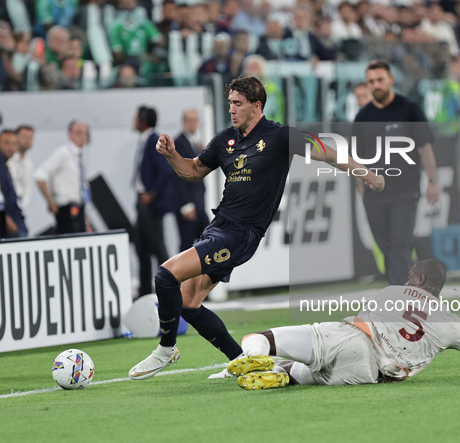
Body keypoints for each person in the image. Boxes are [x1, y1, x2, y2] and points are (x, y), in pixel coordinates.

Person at [128, 75, 385, 380]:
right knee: (187, 302)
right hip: (218, 227)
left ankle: (166, 348)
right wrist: (172, 155)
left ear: (256, 105)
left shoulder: (279, 137)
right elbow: (194, 170)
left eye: (237, 104)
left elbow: (326, 151)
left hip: (240, 235)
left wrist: (367, 173)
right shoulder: (225, 139)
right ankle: (241, 360)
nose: (232, 110)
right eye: (230, 104)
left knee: (165, 275)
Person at [226, 259, 460, 390]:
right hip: (370, 374)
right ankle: (283, 374)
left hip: (353, 337)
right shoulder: (454, 324)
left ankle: (250, 356)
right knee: (309, 375)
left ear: (417, 278)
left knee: (260, 336)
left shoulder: (393, 291)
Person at [354, 59, 440, 286]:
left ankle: (400, 297)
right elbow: (357, 161)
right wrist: (361, 189)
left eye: (380, 79)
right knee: (385, 245)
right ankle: (411, 285)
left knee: (400, 241)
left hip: (405, 188)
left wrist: (432, 180)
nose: (376, 85)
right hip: (374, 192)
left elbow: (424, 148)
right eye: (371, 81)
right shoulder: (362, 117)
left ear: (390, 80)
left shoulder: (409, 109)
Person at [132, 105, 175, 297]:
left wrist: (152, 193)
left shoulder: (152, 141)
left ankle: (171, 287)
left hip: (150, 204)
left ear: (142, 121)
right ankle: (144, 293)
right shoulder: (145, 140)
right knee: (142, 249)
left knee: (158, 247)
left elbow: (166, 170)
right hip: (142, 202)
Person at [34, 120, 91, 234]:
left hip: (78, 208)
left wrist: (86, 221)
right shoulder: (63, 152)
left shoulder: (78, 156)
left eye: (85, 133)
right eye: (78, 132)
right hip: (66, 209)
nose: (82, 137)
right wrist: (50, 201)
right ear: (69, 134)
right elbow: (40, 174)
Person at [173, 108, 209, 252]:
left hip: (199, 202)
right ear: (184, 122)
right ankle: (180, 274)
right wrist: (185, 205)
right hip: (188, 204)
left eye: (195, 120)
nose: (193, 124)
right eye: (190, 120)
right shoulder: (179, 143)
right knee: (186, 245)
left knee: (206, 240)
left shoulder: (195, 143)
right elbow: (176, 176)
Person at [0, 129, 27, 238]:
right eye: (6, 143)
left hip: (15, 215)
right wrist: (6, 218)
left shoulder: (7, 165)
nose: (10, 147)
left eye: (14, 144)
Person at [8, 125, 35, 211]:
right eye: (24, 137)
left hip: (19, 205)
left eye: (30, 137)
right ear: (15, 137)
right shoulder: (7, 159)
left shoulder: (28, 163)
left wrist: (22, 206)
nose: (28, 140)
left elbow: (27, 188)